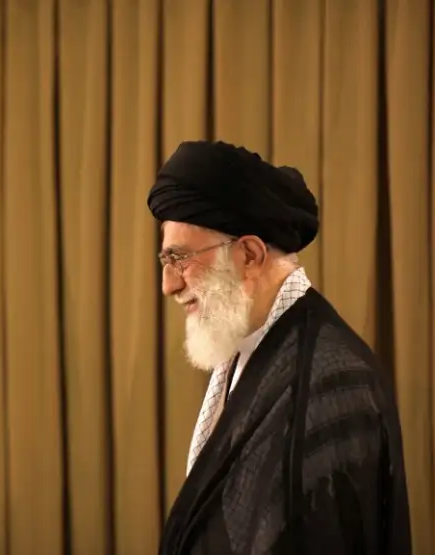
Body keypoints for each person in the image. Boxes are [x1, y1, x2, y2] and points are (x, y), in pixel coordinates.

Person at [148, 141, 412, 555]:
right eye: (166, 262)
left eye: (180, 259)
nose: (169, 285)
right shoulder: (252, 347)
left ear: (250, 254)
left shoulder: (333, 380)